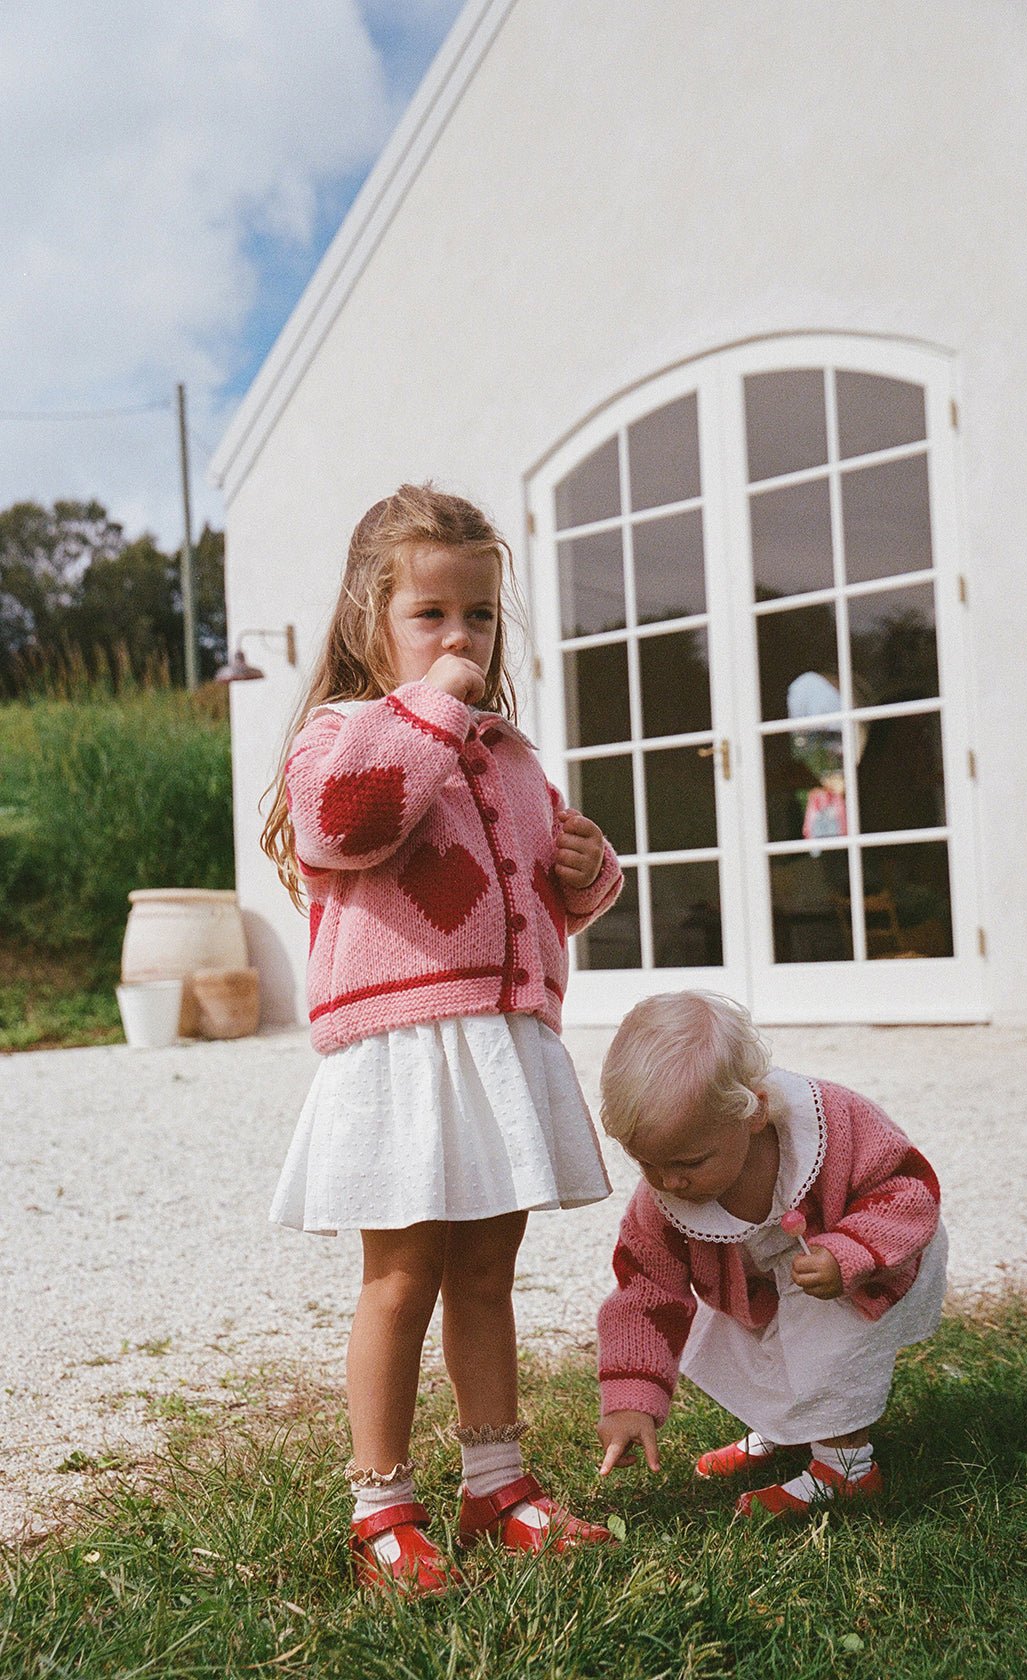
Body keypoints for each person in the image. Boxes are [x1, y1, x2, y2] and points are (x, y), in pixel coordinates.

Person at [262, 484, 622, 1594]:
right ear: (370, 620)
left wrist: (587, 874)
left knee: (485, 1272)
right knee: (402, 1273)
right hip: (400, 1048)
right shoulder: (345, 735)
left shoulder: (508, 755)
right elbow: (349, 823)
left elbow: (535, 899)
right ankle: (381, 1508)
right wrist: (430, 706)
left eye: (478, 615)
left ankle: (494, 1487)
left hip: (494, 1038)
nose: (459, 637)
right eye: (430, 615)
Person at [595, 991, 947, 1517]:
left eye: (689, 1161)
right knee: (751, 1341)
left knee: (827, 1341)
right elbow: (647, 1290)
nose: (669, 1181)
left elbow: (907, 1187)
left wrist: (850, 1251)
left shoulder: (833, 1124)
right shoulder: (664, 1200)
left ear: (754, 1112)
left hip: (866, 1265)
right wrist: (630, 1398)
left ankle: (847, 1469)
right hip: (759, 1284)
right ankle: (788, 1429)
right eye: (648, 1163)